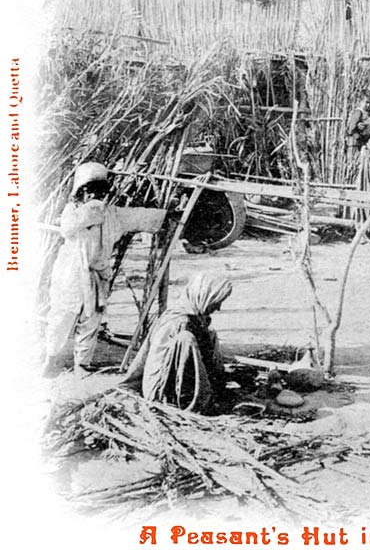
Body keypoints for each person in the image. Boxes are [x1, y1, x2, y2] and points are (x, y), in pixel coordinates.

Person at [44, 162, 166, 373]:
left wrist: (165, 215)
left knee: (91, 321)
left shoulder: (112, 214)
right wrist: (91, 210)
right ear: (80, 192)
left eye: (99, 190)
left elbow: (139, 216)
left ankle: (82, 364)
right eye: (90, 189)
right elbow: (68, 228)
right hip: (71, 276)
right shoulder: (72, 212)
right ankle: (51, 357)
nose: (95, 195)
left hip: (97, 276)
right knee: (61, 317)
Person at [120, 272, 233, 413]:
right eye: (217, 302)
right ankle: (194, 402)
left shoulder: (194, 316)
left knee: (210, 333)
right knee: (186, 340)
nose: (218, 308)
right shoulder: (179, 322)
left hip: (176, 384)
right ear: (205, 296)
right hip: (162, 391)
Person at [344, 84, 370, 151]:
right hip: (358, 143)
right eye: (366, 102)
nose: (368, 105)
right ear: (360, 101)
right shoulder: (358, 112)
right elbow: (351, 129)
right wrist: (359, 140)